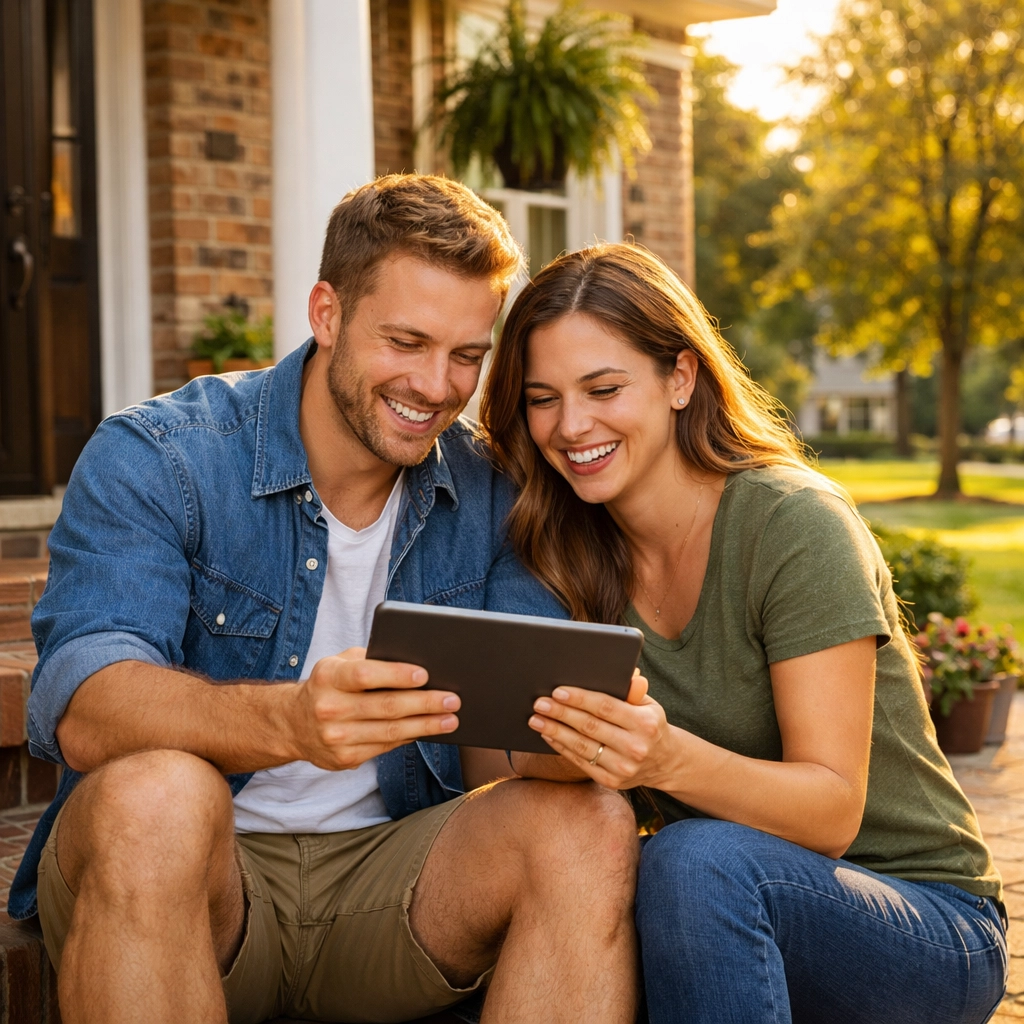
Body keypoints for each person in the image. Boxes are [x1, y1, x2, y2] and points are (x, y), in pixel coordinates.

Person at [9, 177, 641, 1024]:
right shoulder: (163, 457)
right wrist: (291, 724)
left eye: (466, 355)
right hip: (197, 878)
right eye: (407, 341)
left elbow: (516, 754)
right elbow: (83, 703)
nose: (435, 385)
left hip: (395, 889)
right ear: (327, 314)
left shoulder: (492, 485)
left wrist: (582, 735)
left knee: (587, 822)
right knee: (156, 795)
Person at [481, 242, 1007, 1024]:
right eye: (542, 398)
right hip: (722, 912)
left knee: (692, 863)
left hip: (922, 923)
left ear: (680, 379)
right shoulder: (564, 550)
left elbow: (832, 812)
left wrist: (660, 757)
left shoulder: (792, 525)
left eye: (604, 388)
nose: (571, 425)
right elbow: (491, 771)